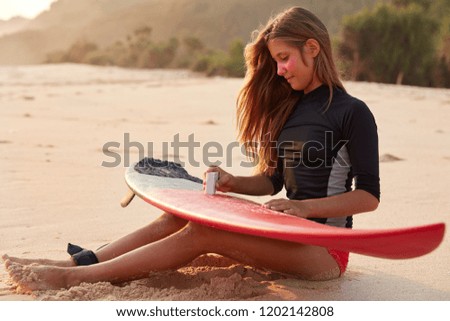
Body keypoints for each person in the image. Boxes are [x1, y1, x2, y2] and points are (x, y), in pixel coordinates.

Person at [3, 6, 379, 292]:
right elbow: (273, 180)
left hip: (324, 252)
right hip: (283, 230)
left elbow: (368, 196)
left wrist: (303, 208)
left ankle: (75, 279)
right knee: (177, 218)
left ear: (312, 48)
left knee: (204, 233)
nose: (279, 70)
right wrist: (234, 182)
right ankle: (78, 262)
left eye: (284, 58)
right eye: (276, 60)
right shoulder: (291, 110)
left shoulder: (352, 113)